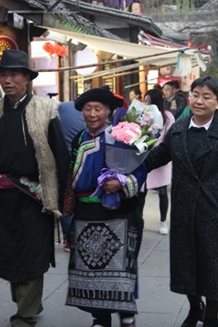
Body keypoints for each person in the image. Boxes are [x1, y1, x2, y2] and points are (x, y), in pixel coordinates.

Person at [0, 50, 69, 327]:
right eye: (3, 75)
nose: (8, 80)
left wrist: (62, 198)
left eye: (14, 74)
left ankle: (24, 315)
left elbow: (61, 156)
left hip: (34, 198)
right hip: (1, 197)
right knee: (9, 252)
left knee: (31, 253)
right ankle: (29, 302)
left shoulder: (45, 111)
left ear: (27, 79)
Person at [146, 76, 218, 327]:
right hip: (183, 209)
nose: (199, 101)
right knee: (185, 266)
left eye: (206, 97)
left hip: (215, 210)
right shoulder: (180, 128)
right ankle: (195, 307)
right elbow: (158, 156)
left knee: (215, 268)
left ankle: (212, 317)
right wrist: (129, 162)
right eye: (195, 95)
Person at [63, 88, 147, 327]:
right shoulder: (80, 138)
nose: (92, 114)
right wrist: (66, 216)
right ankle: (100, 317)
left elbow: (140, 169)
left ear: (108, 112)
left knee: (120, 269)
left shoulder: (121, 136)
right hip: (86, 212)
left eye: (97, 109)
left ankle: (127, 316)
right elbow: (70, 175)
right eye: (87, 109)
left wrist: (121, 182)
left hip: (117, 212)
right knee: (90, 268)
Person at [137, 88, 175, 235]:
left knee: (162, 191)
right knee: (142, 190)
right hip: (144, 155)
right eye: (145, 101)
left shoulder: (167, 117)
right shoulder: (142, 115)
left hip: (161, 157)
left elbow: (170, 136)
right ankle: (139, 219)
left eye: (148, 101)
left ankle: (163, 221)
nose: (146, 104)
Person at [58, 101, 86, 252]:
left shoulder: (63, 107)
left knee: (66, 202)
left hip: (63, 161)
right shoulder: (89, 118)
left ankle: (69, 239)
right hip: (81, 162)